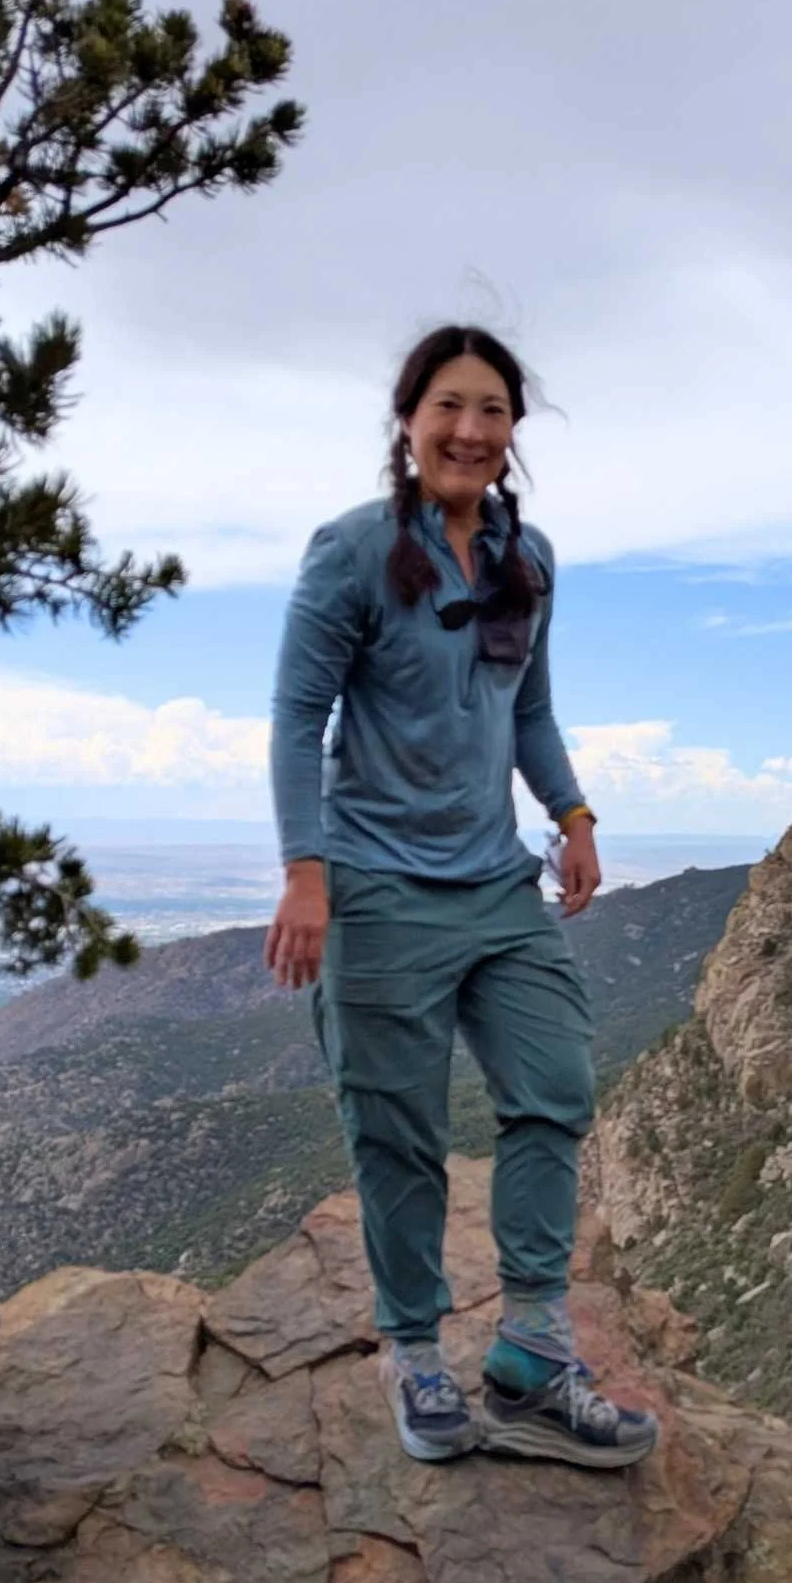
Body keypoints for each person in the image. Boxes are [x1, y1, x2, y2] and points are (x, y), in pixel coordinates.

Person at [265, 324, 659, 1472]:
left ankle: (533, 1351)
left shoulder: (524, 556)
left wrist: (573, 814)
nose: (470, 430)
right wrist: (307, 873)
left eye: (492, 411)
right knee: (400, 1134)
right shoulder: (348, 555)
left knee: (554, 1087)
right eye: (450, 405)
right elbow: (298, 720)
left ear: (511, 434)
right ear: (408, 419)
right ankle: (414, 1350)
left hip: (497, 884)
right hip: (379, 888)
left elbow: (527, 706)